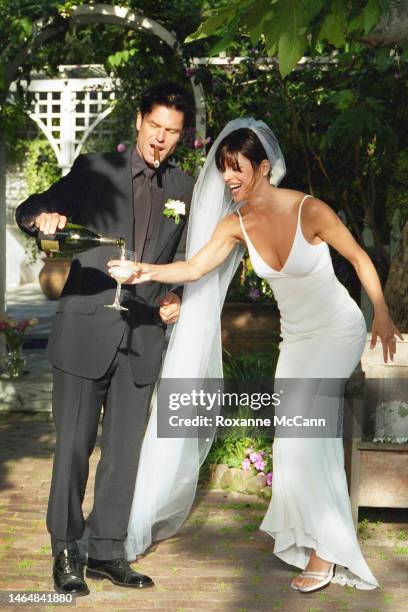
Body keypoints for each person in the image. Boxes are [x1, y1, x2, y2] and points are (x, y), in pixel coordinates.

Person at [112, 118, 403, 593]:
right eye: (224, 169)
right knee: (290, 442)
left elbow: (358, 258)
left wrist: (383, 314)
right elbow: (194, 266)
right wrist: (144, 269)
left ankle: (326, 551)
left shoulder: (309, 209)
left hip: (337, 331)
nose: (228, 178)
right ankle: (312, 536)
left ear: (263, 168)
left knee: (312, 434)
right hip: (297, 340)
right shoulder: (235, 224)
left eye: (237, 168)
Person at [15, 82, 196, 596]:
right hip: (85, 327)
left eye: (173, 133)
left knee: (124, 452)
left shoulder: (184, 189)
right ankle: (67, 550)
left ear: (183, 136)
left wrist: (178, 296)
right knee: (72, 447)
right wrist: (42, 220)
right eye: (155, 127)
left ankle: (107, 549)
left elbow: (188, 261)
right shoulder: (96, 171)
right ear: (139, 120)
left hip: (143, 333)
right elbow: (31, 208)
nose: (161, 140)